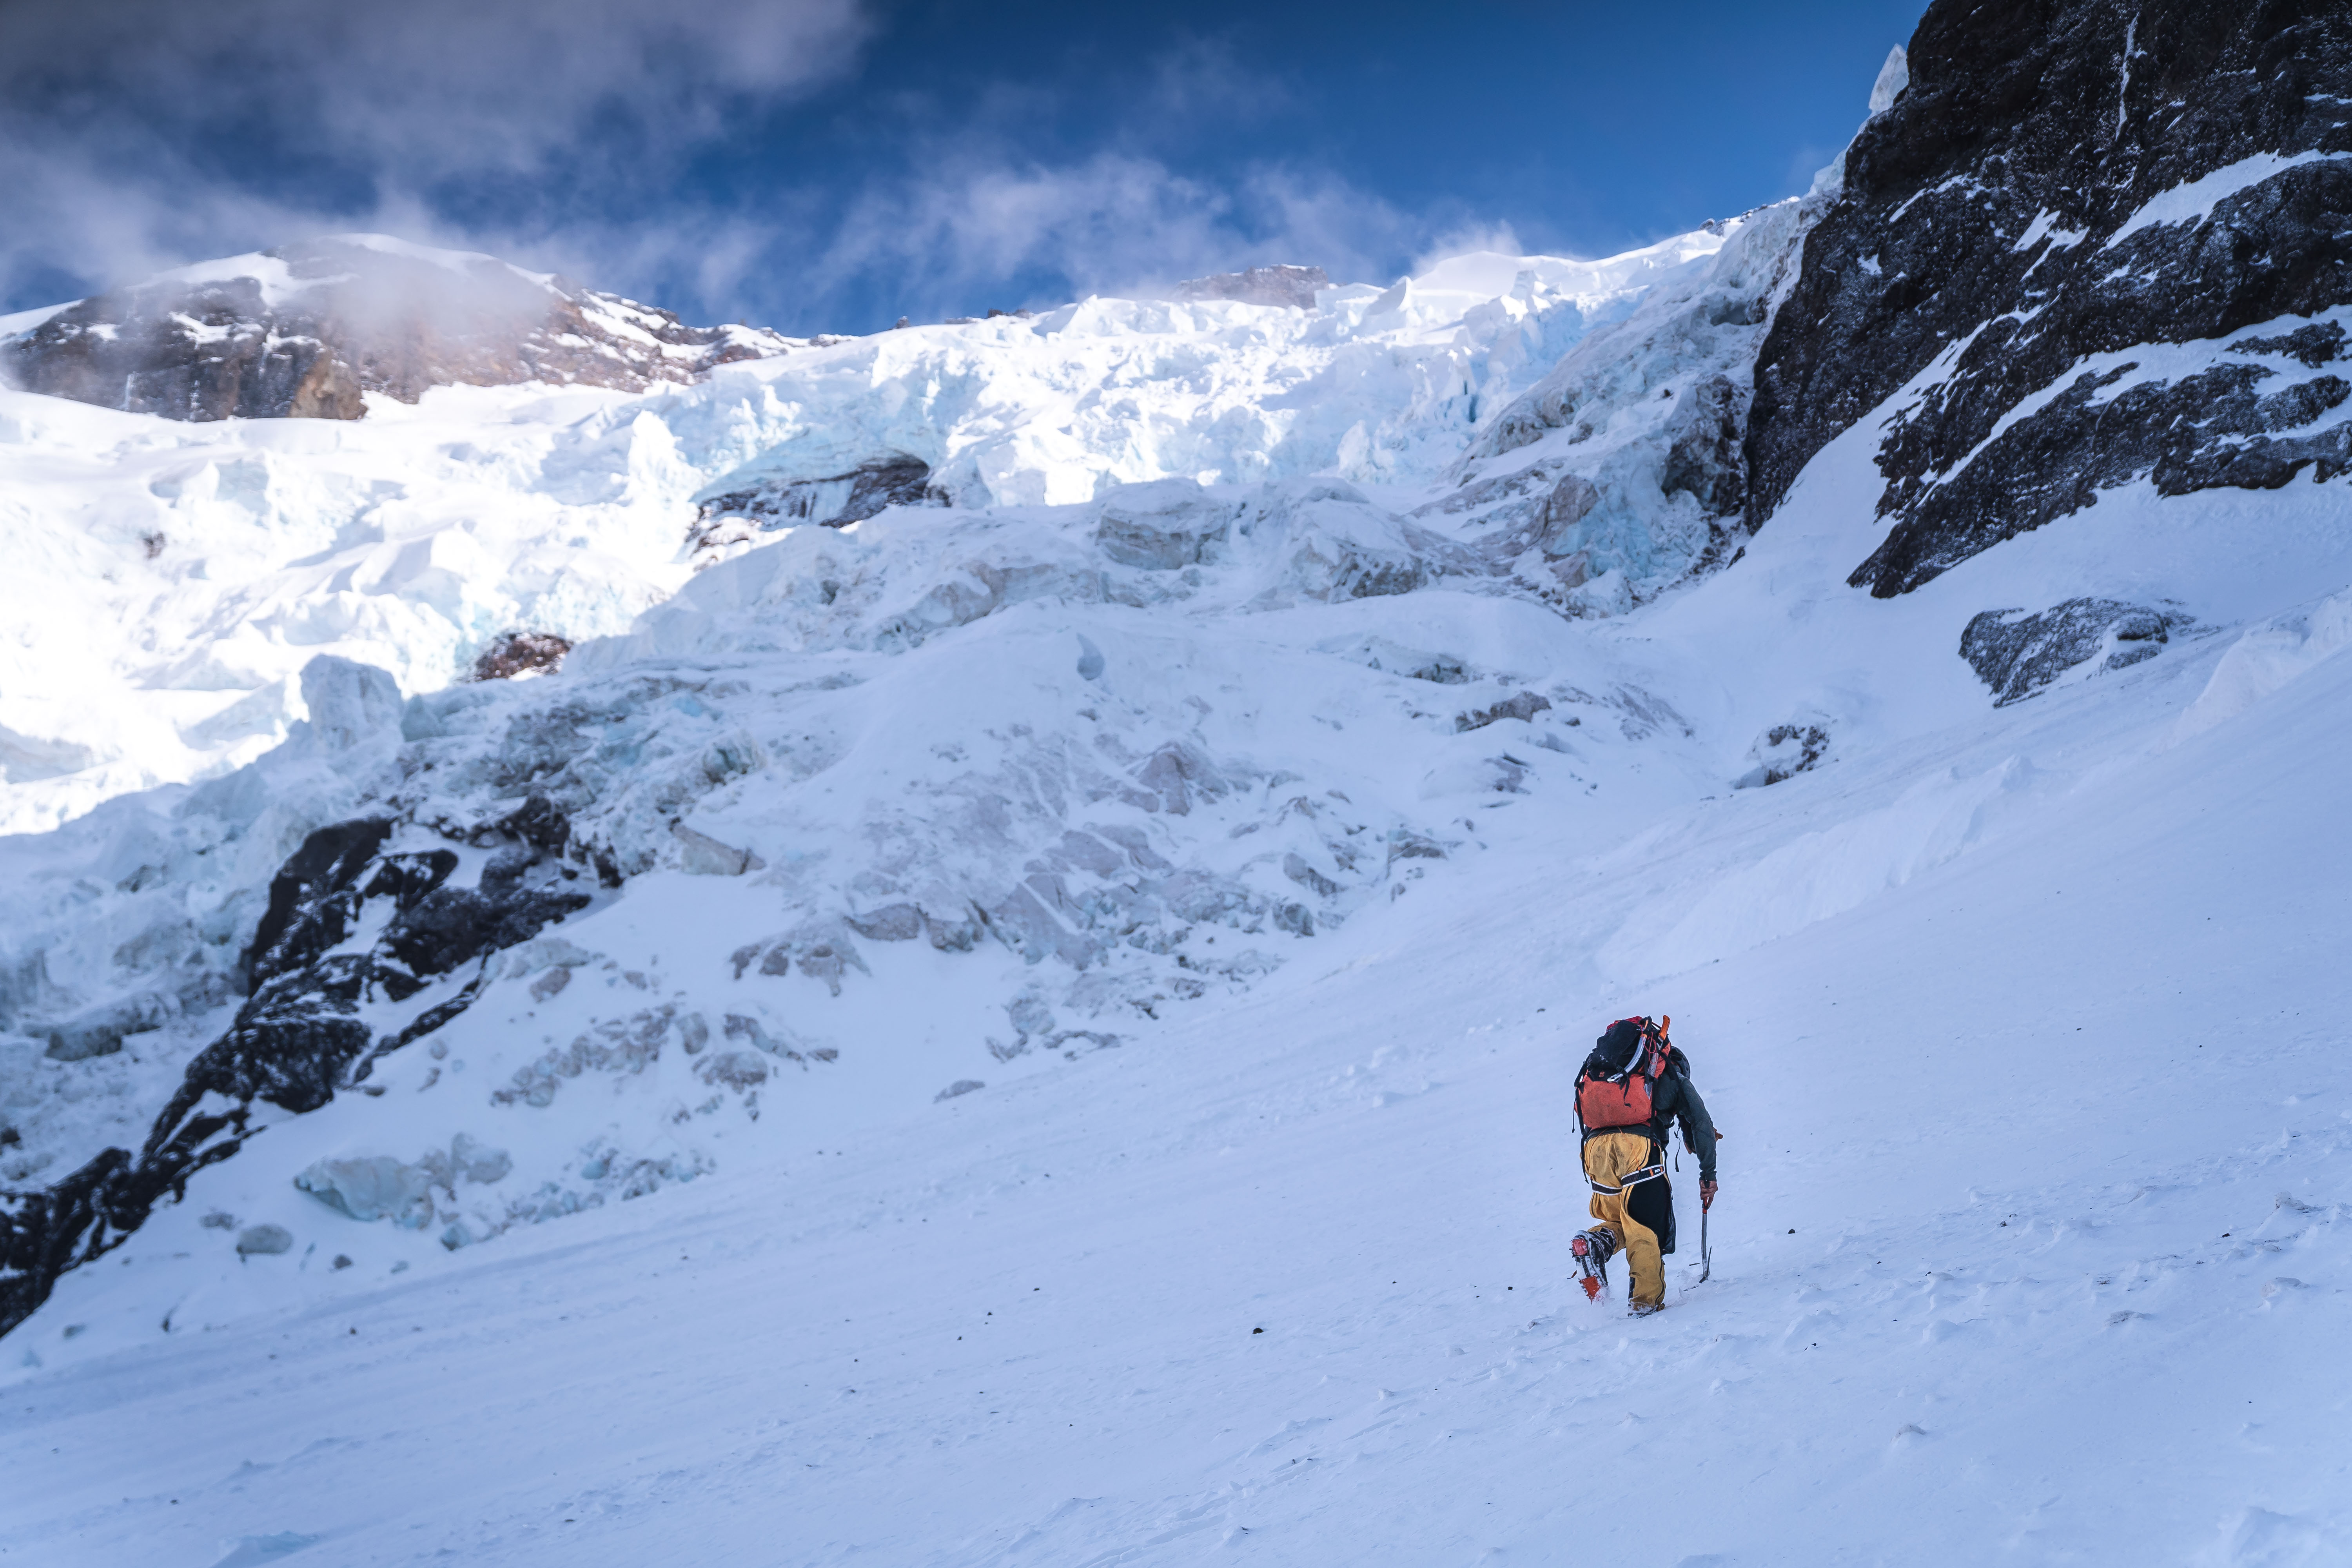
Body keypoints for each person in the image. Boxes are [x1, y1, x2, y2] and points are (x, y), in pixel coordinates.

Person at [1570, 1014, 1718, 1314]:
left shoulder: (1614, 1073)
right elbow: (1701, 1123)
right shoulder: (1670, 1076)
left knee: (1621, 1220)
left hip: (1596, 1152)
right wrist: (1708, 1174)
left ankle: (1596, 1243)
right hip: (1637, 1150)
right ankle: (1645, 1303)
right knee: (1645, 1229)